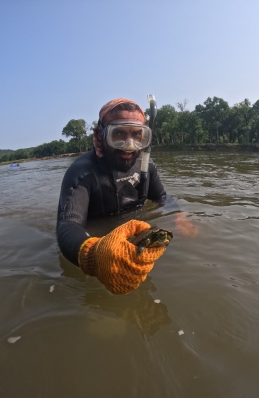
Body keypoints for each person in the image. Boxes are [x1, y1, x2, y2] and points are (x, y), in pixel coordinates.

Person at [57, 98, 191, 295]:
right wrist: (93, 254)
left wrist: (179, 216)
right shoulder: (82, 173)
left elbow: (162, 197)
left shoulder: (146, 165)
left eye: (137, 136)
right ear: (101, 134)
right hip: (100, 244)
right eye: (118, 134)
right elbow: (68, 225)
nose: (129, 146)